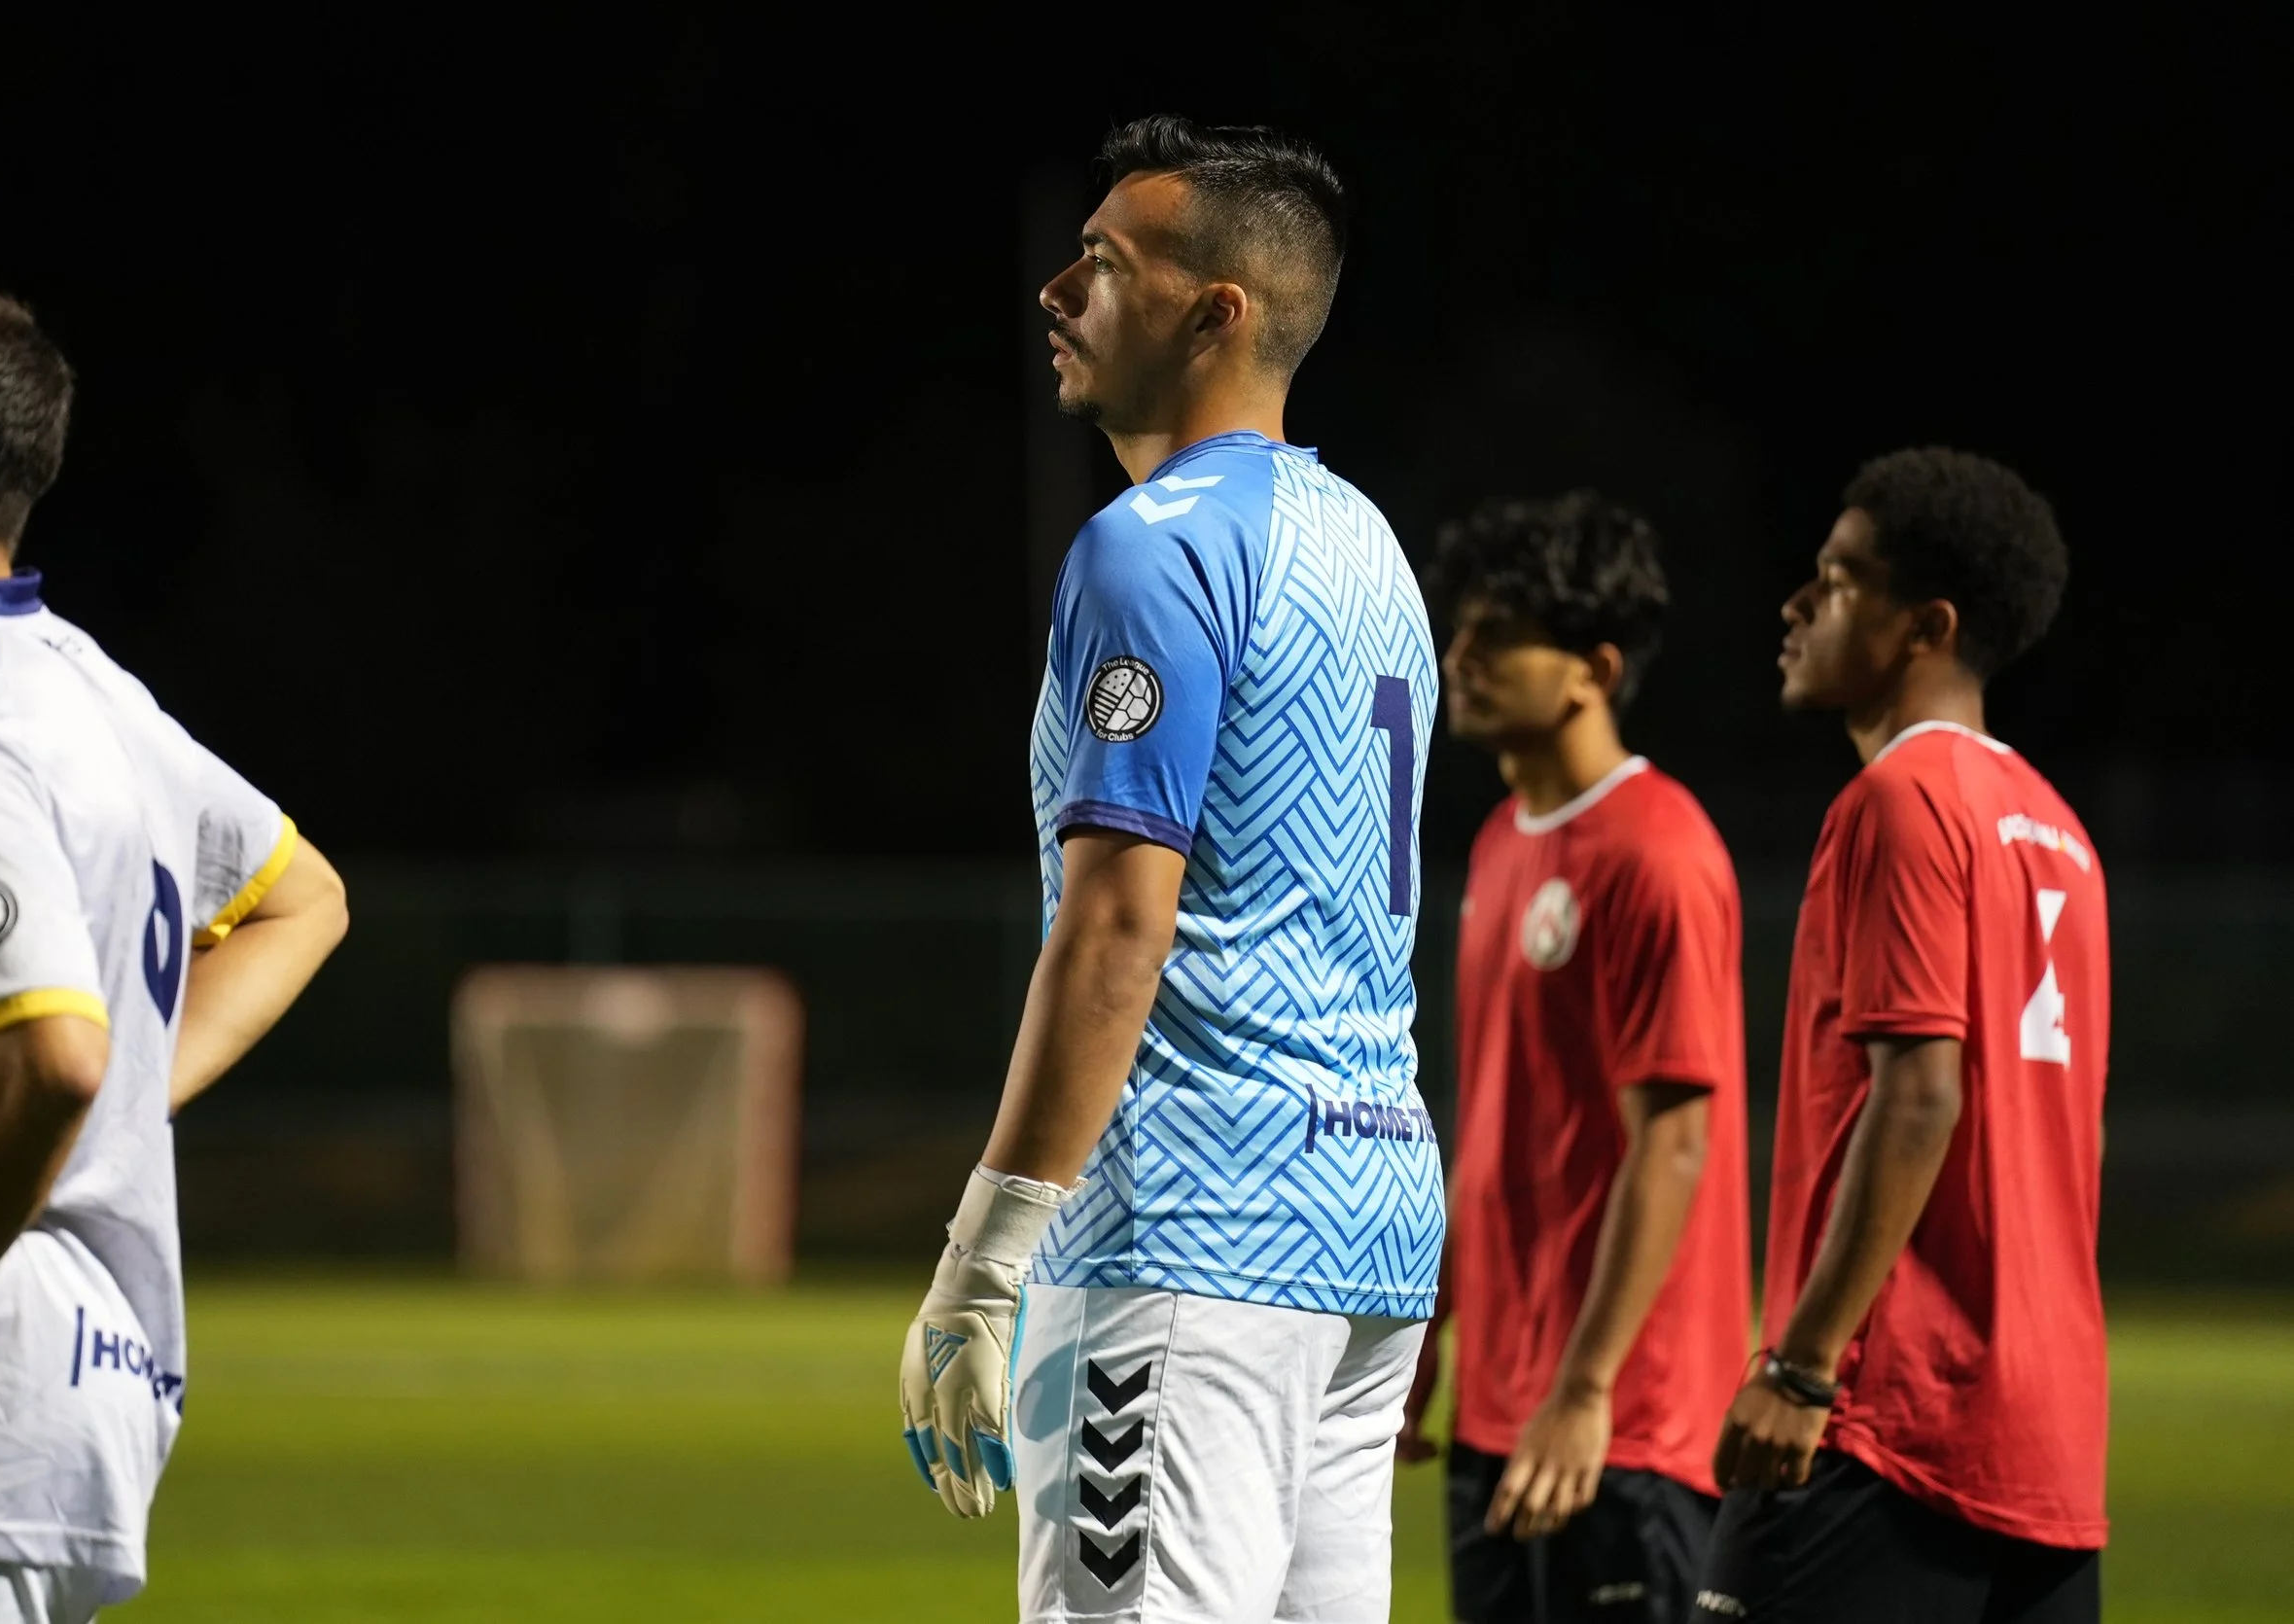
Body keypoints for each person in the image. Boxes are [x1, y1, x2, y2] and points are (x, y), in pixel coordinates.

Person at [895, 116, 1441, 1622]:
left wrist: (987, 1253)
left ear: (1221, 310)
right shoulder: (1369, 544)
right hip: (1373, 1227)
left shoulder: (1152, 547)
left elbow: (1119, 923)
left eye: (1105, 265)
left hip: (1194, 1225)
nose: (1060, 292)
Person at [0, 241, 349, 1621]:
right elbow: (301, 894)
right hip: (53, 1424)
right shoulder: (80, 685)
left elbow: (55, 1062)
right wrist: (131, 1096)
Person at [1695, 448, 2105, 1622]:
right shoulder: (2061, 830)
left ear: (1925, 625)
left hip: (1887, 1419)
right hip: (2047, 1439)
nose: (1797, 603)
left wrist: (1801, 1362)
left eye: (1836, 577)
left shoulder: (1899, 800)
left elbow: (1921, 1094)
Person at [1400, 493, 1750, 1623]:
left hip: (1619, 1422)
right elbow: (1494, 1128)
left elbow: (1676, 1141)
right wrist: (1431, 1331)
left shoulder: (1657, 851)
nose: (1463, 655)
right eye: (1463, 629)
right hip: (1498, 1411)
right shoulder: (1501, 845)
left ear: (1593, 667)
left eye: (1498, 637)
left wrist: (1587, 1386)